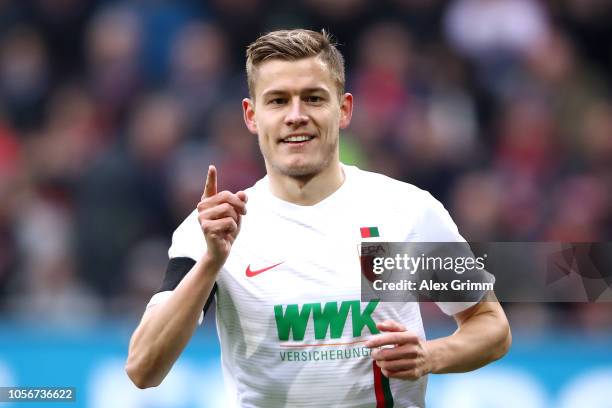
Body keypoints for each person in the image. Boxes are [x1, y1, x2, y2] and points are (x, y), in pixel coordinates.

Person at [125, 29, 511, 407]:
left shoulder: (404, 212)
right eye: (277, 101)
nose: (296, 116)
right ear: (251, 115)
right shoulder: (215, 228)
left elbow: (490, 325)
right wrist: (211, 262)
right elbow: (144, 368)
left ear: (343, 109)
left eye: (313, 98)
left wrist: (431, 356)